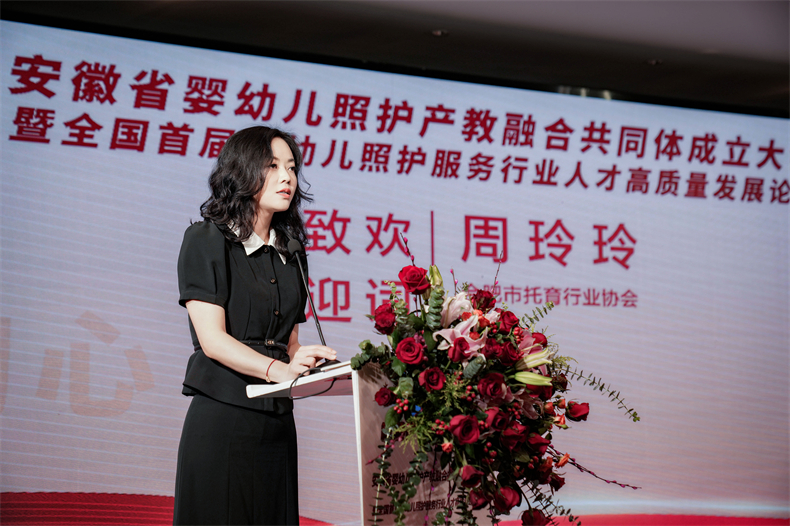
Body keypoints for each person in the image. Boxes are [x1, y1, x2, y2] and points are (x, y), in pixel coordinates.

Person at [173, 126, 336, 525]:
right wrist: (279, 369)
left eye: (291, 167)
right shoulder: (206, 239)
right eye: (273, 166)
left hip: (277, 422)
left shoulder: (291, 251)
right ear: (242, 170)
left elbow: (288, 342)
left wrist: (305, 360)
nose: (287, 177)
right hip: (224, 418)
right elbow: (212, 340)